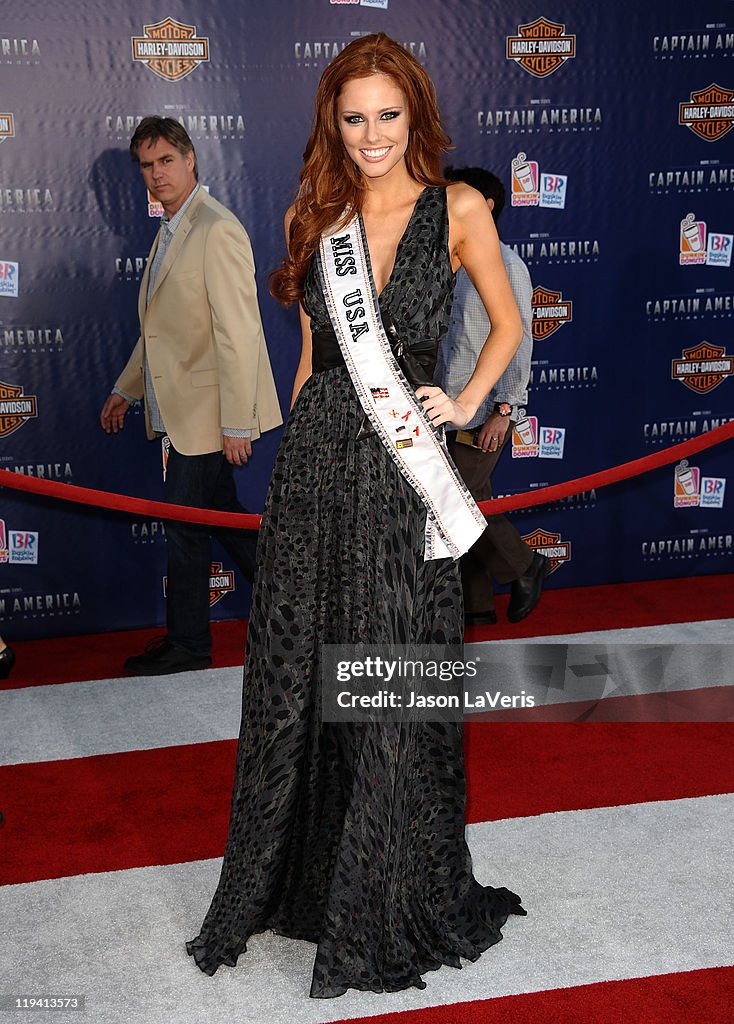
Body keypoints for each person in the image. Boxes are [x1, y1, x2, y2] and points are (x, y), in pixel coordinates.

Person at [186, 34, 526, 998]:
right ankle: (304, 875)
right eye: (354, 117)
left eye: (389, 115)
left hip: (403, 474)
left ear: (413, 115)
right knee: (300, 675)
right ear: (331, 123)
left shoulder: (457, 208)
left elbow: (505, 323)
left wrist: (463, 399)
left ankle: (392, 885)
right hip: (320, 470)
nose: (373, 134)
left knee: (392, 668)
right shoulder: (312, 213)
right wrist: (293, 454)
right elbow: (308, 360)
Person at [100, 117, 282, 676]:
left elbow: (238, 331)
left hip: (209, 416)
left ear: (191, 159)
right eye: (147, 166)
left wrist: (236, 423)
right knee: (224, 518)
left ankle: (189, 644)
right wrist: (124, 390)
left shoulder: (215, 228)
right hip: (190, 414)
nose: (156, 175)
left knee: (185, 527)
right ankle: (299, 610)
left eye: (165, 162)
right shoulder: (174, 227)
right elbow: (161, 331)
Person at [436, 166, 550, 625]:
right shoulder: (452, 260)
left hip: (485, 411)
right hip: (448, 408)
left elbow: (518, 340)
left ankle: (525, 565)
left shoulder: (505, 264)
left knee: (460, 502)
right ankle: (476, 604)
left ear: (483, 206)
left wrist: (505, 409)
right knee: (467, 497)